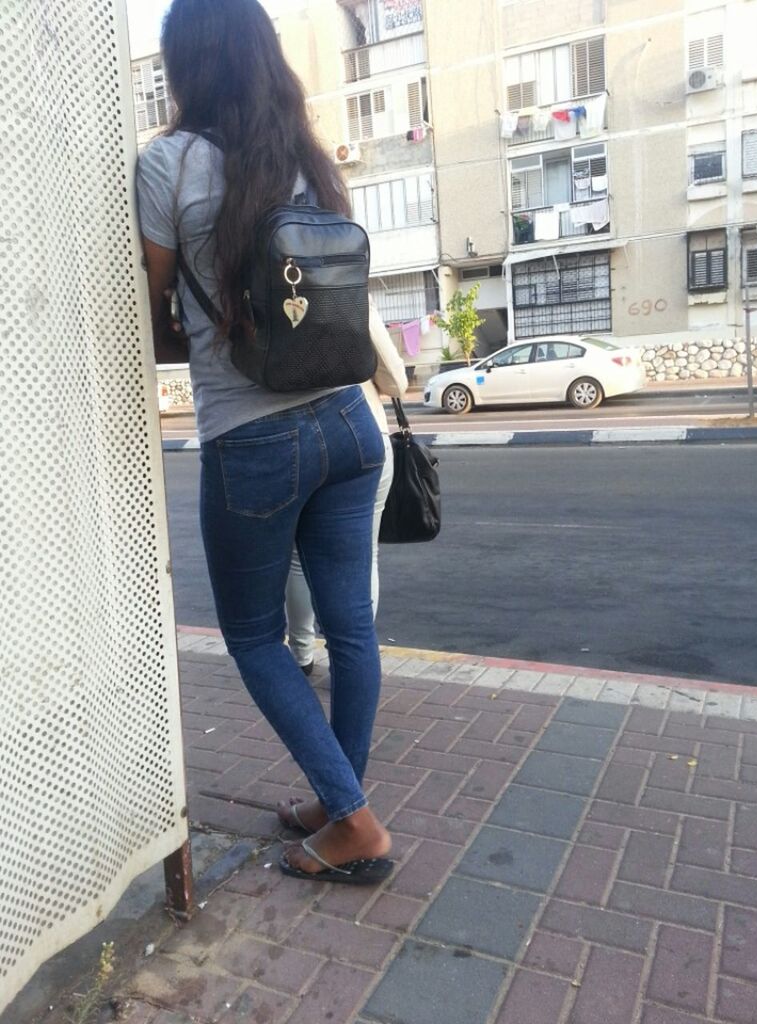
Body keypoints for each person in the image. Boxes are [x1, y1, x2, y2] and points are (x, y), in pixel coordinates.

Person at [137, 0, 394, 884]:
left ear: (184, 67)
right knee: (351, 630)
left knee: (253, 637)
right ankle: (338, 801)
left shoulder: (167, 162)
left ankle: (354, 825)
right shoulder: (312, 161)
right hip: (350, 421)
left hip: (253, 435)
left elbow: (158, 305)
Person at [285, 304, 408, 677]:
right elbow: (395, 380)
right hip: (360, 432)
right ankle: (350, 662)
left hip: (287, 438)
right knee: (360, 557)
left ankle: (301, 655)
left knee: (295, 559)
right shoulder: (342, 279)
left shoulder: (249, 279)